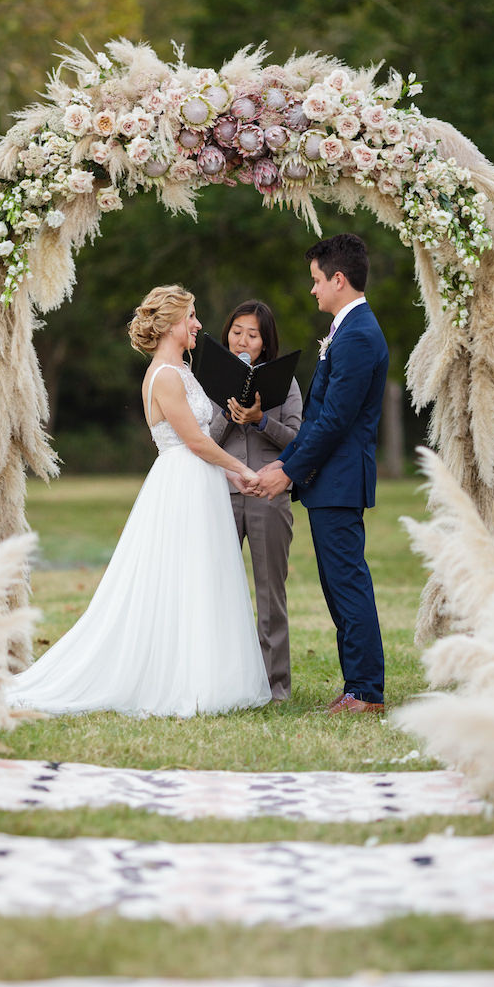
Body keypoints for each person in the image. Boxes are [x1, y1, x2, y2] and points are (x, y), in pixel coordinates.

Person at [7, 285, 271, 718]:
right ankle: (179, 681)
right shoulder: (165, 376)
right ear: (171, 324)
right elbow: (194, 441)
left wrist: (228, 475)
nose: (199, 325)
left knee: (199, 577)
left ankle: (204, 675)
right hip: (182, 484)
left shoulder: (179, 370)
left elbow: (200, 444)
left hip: (197, 479)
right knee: (181, 579)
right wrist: (242, 469)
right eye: (191, 317)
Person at [258, 234, 389, 716]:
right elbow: (322, 417)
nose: (312, 290)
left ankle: (366, 691)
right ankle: (358, 685)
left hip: (339, 480)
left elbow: (334, 419)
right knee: (339, 586)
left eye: (316, 281)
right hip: (329, 479)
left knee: (347, 584)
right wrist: (285, 461)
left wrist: (288, 472)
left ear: (339, 279)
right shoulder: (348, 329)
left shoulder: (357, 335)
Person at [209, 300, 302, 700]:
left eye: (253, 334)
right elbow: (199, 442)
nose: (243, 339)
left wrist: (261, 420)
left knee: (270, 594)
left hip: (268, 496)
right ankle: (221, 681)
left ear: (265, 342)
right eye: (237, 331)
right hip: (219, 495)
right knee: (215, 590)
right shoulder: (207, 379)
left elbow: (299, 442)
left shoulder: (286, 383)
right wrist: (230, 414)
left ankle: (275, 686)